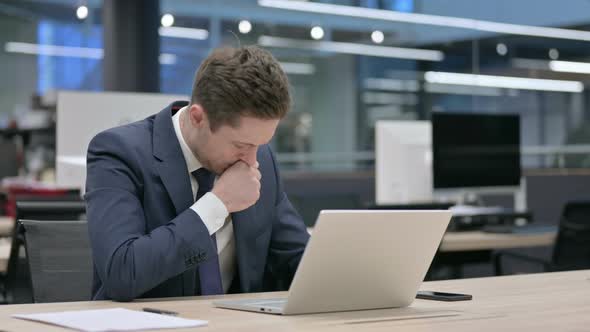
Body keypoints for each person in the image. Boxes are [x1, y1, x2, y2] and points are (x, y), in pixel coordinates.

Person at [85, 46, 310, 301]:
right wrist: (217, 204)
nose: (251, 160)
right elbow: (121, 274)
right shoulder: (119, 152)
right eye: (241, 145)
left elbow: (298, 260)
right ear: (197, 117)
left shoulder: (261, 160)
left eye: (261, 144)